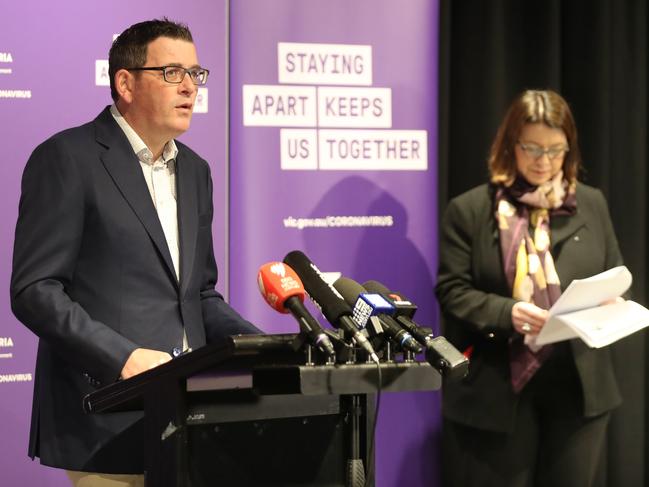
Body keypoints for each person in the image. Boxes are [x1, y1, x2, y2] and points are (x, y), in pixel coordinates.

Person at [10, 19, 260, 486]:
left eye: (196, 74)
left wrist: (261, 347)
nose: (190, 87)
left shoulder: (196, 171)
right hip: (106, 418)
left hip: (193, 417)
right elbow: (34, 290)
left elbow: (199, 295)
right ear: (125, 82)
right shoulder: (68, 157)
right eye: (172, 73)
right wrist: (122, 358)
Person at [436, 89, 623, 487]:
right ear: (510, 145)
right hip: (498, 386)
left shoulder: (591, 203)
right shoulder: (469, 210)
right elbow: (452, 290)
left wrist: (610, 304)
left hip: (578, 386)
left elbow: (614, 272)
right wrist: (509, 313)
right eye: (532, 148)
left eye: (556, 150)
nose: (544, 162)